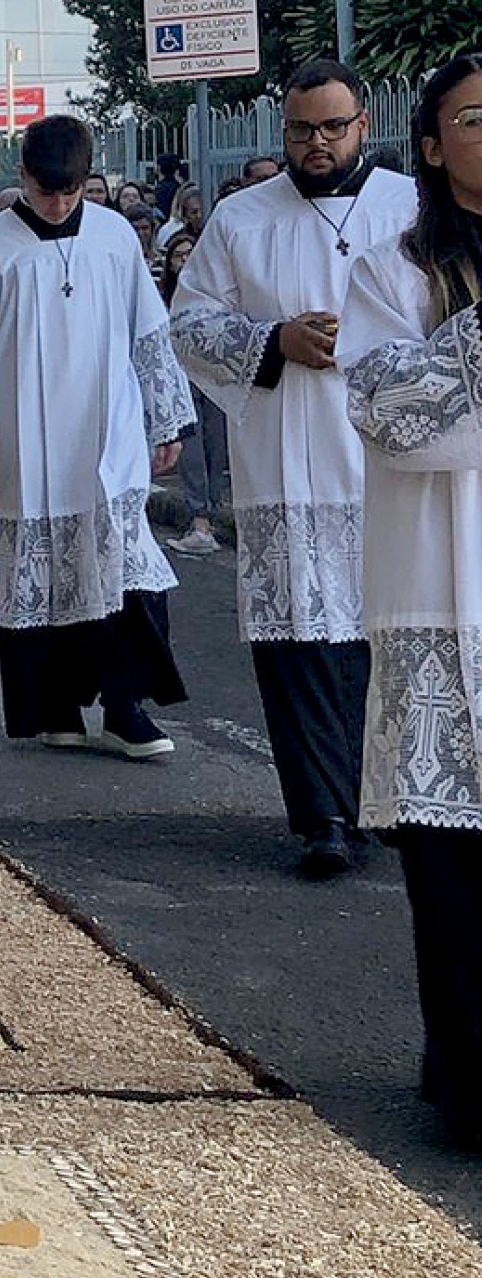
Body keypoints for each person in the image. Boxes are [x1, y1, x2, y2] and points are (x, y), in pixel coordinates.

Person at [171, 57, 415, 876]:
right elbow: (189, 325)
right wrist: (272, 340)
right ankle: (321, 818)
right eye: (302, 129)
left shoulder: (410, 208)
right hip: (287, 460)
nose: (317, 142)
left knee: (386, 640)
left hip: (389, 464)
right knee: (300, 644)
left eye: (332, 127)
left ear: (362, 127)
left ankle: (387, 802)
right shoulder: (242, 218)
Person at [0, 112, 193, 758]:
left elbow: (148, 332)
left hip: (107, 433)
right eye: (46, 190)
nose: (58, 203)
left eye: (71, 190)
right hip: (25, 442)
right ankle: (56, 707)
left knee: (127, 574)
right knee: (43, 580)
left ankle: (124, 706)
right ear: (23, 176)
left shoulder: (113, 237)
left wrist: (165, 417)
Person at [339, 51, 482, 1146]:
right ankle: (468, 1074)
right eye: (473, 119)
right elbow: (390, 412)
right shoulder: (396, 268)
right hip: (441, 582)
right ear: (431, 143)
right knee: (448, 855)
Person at [160, 229, 229, 559]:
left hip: (213, 376)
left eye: (191, 254)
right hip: (181, 378)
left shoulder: (214, 291)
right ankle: (198, 519)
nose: (185, 260)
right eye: (179, 255)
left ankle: (211, 516)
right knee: (192, 449)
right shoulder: (162, 298)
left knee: (217, 447)